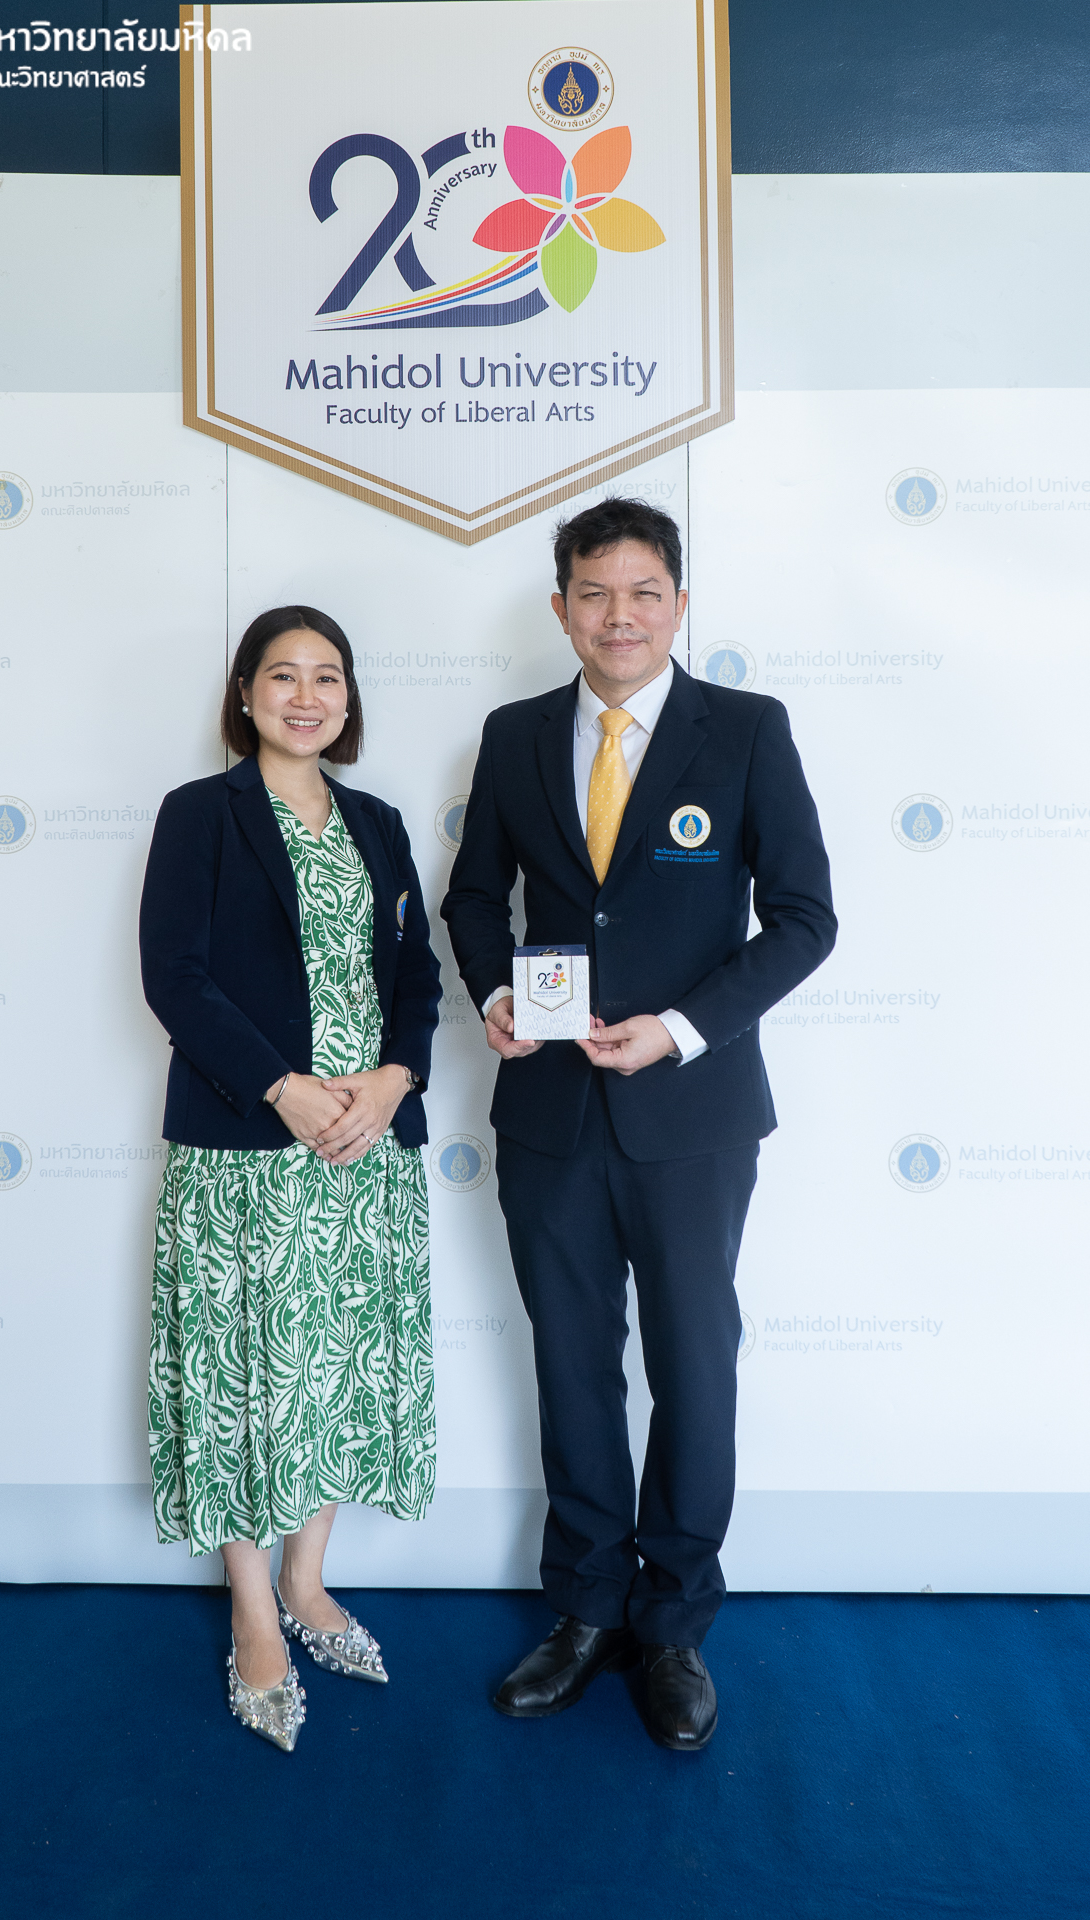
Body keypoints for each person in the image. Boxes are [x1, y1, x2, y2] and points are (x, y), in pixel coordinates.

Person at [441, 497, 836, 1750]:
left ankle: (671, 1624)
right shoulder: (512, 735)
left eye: (643, 592)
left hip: (693, 1112)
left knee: (692, 1366)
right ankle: (585, 1608)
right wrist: (496, 993)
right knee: (570, 1361)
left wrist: (680, 1027)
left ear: (679, 604)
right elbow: (472, 898)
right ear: (561, 608)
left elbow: (804, 919)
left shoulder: (747, 730)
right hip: (550, 1111)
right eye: (595, 594)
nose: (620, 616)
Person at [140, 605, 441, 1753]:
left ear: (348, 698)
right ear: (244, 692)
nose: (305, 696)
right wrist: (283, 1088)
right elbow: (175, 977)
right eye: (282, 675)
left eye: (327, 677)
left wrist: (395, 1078)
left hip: (364, 1150)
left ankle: (307, 1581)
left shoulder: (378, 822)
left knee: (333, 1370)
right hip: (249, 1149)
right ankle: (253, 1611)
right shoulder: (200, 815)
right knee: (244, 1373)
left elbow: (417, 975)